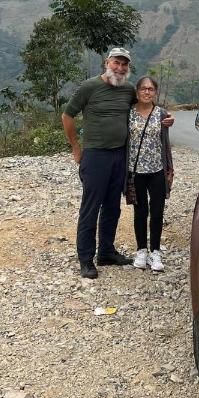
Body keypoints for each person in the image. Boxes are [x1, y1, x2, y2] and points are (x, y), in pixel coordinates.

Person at [61, 48, 174, 279]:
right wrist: (76, 149)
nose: (120, 68)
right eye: (116, 63)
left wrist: (166, 118)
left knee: (113, 206)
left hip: (120, 156)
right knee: (91, 207)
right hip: (95, 155)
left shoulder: (127, 90)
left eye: (124, 64)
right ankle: (85, 259)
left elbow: (146, 107)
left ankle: (106, 252)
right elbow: (67, 115)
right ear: (107, 62)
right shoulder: (89, 87)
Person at [128, 75, 174, 272]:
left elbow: (166, 144)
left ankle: (155, 251)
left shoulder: (162, 114)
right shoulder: (128, 113)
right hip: (135, 170)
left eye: (151, 89)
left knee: (157, 211)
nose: (147, 92)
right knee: (140, 211)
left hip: (157, 170)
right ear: (137, 92)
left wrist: (170, 168)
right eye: (143, 89)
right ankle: (141, 250)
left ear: (155, 92)